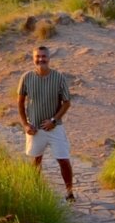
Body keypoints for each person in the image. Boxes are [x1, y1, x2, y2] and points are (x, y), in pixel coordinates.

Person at [16, 45, 75, 201]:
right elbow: (20, 104)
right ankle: (35, 190)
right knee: (36, 160)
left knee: (63, 159)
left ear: (49, 58)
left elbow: (67, 102)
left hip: (55, 127)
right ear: (33, 58)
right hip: (35, 128)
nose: (41, 59)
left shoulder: (59, 77)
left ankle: (69, 191)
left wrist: (53, 121)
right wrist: (26, 125)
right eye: (38, 56)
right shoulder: (26, 78)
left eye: (44, 56)